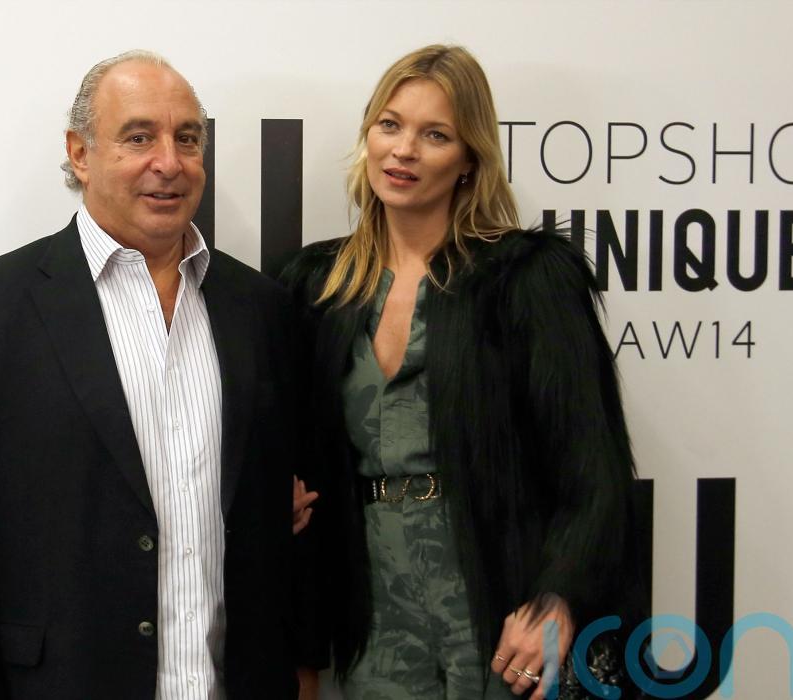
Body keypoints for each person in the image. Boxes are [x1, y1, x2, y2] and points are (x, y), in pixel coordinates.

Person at [0, 50, 305, 699]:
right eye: (139, 137)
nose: (169, 162)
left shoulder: (261, 309)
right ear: (80, 153)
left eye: (187, 138)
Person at [283, 45, 638, 700]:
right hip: (373, 616)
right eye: (390, 125)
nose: (404, 150)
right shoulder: (317, 286)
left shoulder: (527, 278)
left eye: (435, 135)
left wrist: (556, 600)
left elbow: (595, 468)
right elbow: (289, 448)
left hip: (502, 605)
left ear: (470, 157)